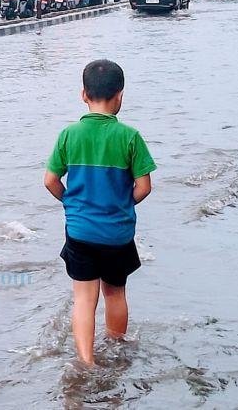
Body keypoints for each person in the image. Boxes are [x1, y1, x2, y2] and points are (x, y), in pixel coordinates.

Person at [43, 59, 156, 366]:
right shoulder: (130, 137)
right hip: (117, 233)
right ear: (120, 95)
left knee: (83, 298)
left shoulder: (69, 135)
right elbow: (144, 187)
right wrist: (122, 204)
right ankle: (117, 349)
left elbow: (51, 181)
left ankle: (86, 361)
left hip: (80, 231)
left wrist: (71, 203)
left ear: (83, 95)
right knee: (115, 293)